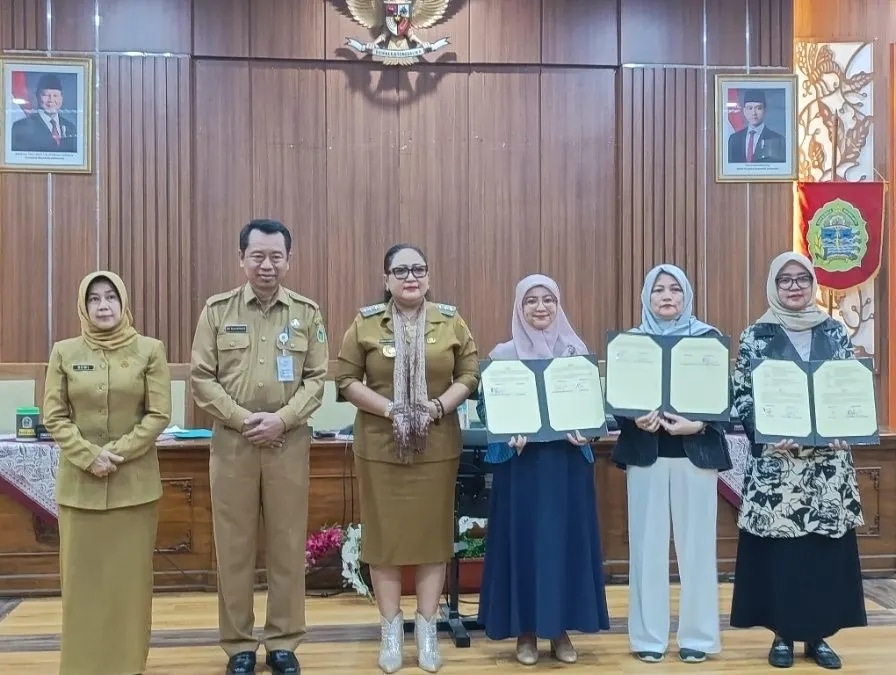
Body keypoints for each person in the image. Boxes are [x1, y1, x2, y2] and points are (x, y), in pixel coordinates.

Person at [190, 219, 329, 675]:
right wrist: (243, 419)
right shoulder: (217, 311)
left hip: (288, 442)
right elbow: (201, 379)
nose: (267, 265)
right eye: (258, 256)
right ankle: (238, 645)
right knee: (234, 546)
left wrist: (282, 419)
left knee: (288, 545)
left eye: (276, 256)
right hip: (234, 443)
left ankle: (285, 641)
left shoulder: (307, 313)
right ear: (242, 259)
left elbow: (317, 381)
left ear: (289, 260)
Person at [334, 244, 479, 673]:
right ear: (387, 280)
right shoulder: (365, 323)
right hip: (381, 447)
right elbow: (344, 379)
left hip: (435, 446)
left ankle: (429, 630)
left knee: (433, 539)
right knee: (385, 542)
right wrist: (389, 409)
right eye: (401, 271)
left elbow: (469, 374)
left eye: (418, 269)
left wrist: (436, 407)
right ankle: (391, 631)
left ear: (429, 277)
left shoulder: (450, 320)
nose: (410, 276)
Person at [730, 251, 866, 669]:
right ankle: (783, 636)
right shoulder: (757, 334)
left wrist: (849, 426)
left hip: (826, 469)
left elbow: (849, 387)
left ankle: (819, 637)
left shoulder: (836, 331)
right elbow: (742, 395)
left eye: (801, 279)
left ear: (813, 285)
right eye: (785, 280)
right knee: (782, 558)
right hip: (779, 469)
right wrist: (766, 429)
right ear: (774, 286)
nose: (793, 287)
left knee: (822, 555)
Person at [476, 274, 610, 666]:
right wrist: (506, 431)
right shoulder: (502, 356)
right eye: (531, 300)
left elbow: (593, 411)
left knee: (564, 545)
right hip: (522, 467)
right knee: (524, 544)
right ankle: (526, 631)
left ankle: (562, 629)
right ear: (519, 307)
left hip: (566, 465)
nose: (540, 307)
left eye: (548, 299)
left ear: (558, 305)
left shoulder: (575, 351)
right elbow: (487, 411)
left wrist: (587, 432)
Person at [43, 271, 171, 675]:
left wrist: (114, 453)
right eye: (94, 299)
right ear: (84, 306)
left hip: (133, 489)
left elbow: (159, 413)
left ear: (123, 303)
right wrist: (87, 455)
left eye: (110, 298)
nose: (103, 306)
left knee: (128, 587)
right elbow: (54, 415)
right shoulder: (63, 352)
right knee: (82, 587)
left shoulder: (149, 350)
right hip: (79, 490)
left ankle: (128, 664)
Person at [611, 264, 731, 664]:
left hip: (695, 456)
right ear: (646, 296)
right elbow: (618, 402)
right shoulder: (630, 343)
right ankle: (648, 637)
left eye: (674, 289)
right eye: (658, 289)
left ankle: (697, 637)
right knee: (646, 548)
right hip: (647, 455)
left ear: (686, 297)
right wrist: (633, 419)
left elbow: (725, 403)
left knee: (696, 548)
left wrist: (697, 424)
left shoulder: (709, 341)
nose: (666, 296)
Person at [11, 73, 78, 153]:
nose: (51, 100)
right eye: (46, 95)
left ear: (61, 98)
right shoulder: (21, 127)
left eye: (55, 96)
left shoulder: (70, 127)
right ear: (37, 96)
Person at [727, 89, 786, 163]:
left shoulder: (778, 140)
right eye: (750, 108)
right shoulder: (734, 139)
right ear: (744, 111)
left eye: (758, 108)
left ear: (765, 110)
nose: (754, 113)